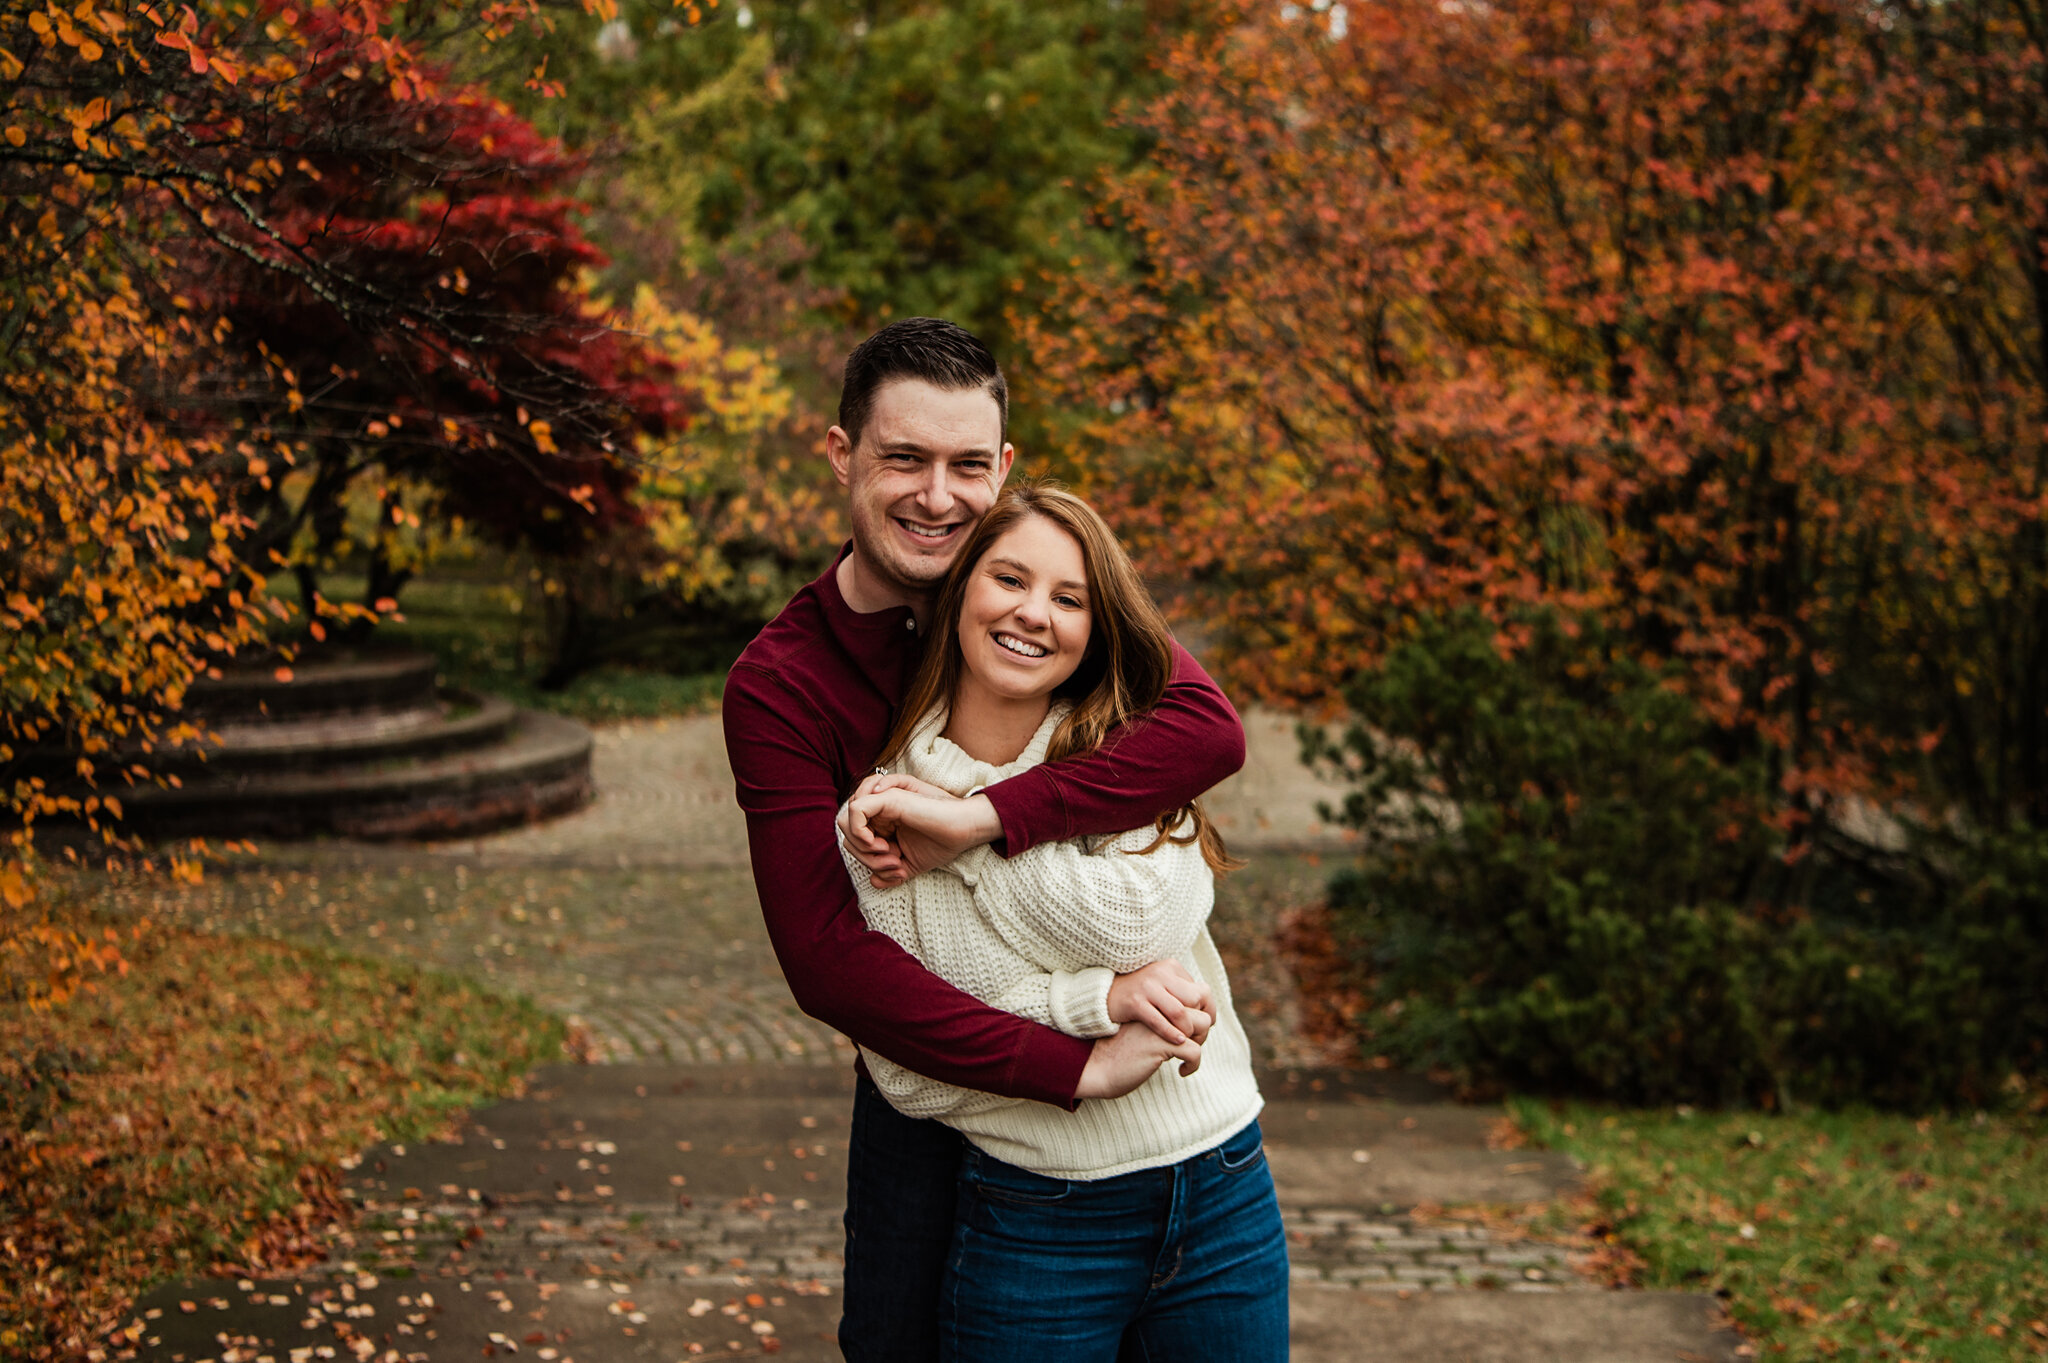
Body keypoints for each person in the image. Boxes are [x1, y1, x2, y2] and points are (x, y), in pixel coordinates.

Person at [720, 318, 1247, 1361]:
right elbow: (829, 961)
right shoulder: (781, 683)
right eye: (902, 459)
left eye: (967, 465)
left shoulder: (1040, 604)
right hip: (931, 1093)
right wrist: (1073, 1056)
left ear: (1003, 469)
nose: (936, 495)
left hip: (1171, 1135)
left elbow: (1207, 727)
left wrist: (988, 818)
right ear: (841, 457)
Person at [836, 483, 1288, 1361]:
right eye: (1010, 578)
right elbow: (911, 1065)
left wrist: (972, 828)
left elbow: (1150, 916)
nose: (1034, 614)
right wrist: (1093, 1008)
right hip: (1038, 1217)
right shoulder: (881, 808)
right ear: (962, 587)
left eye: (1069, 598)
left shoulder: (1131, 750)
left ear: (1096, 627)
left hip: (1223, 1184)